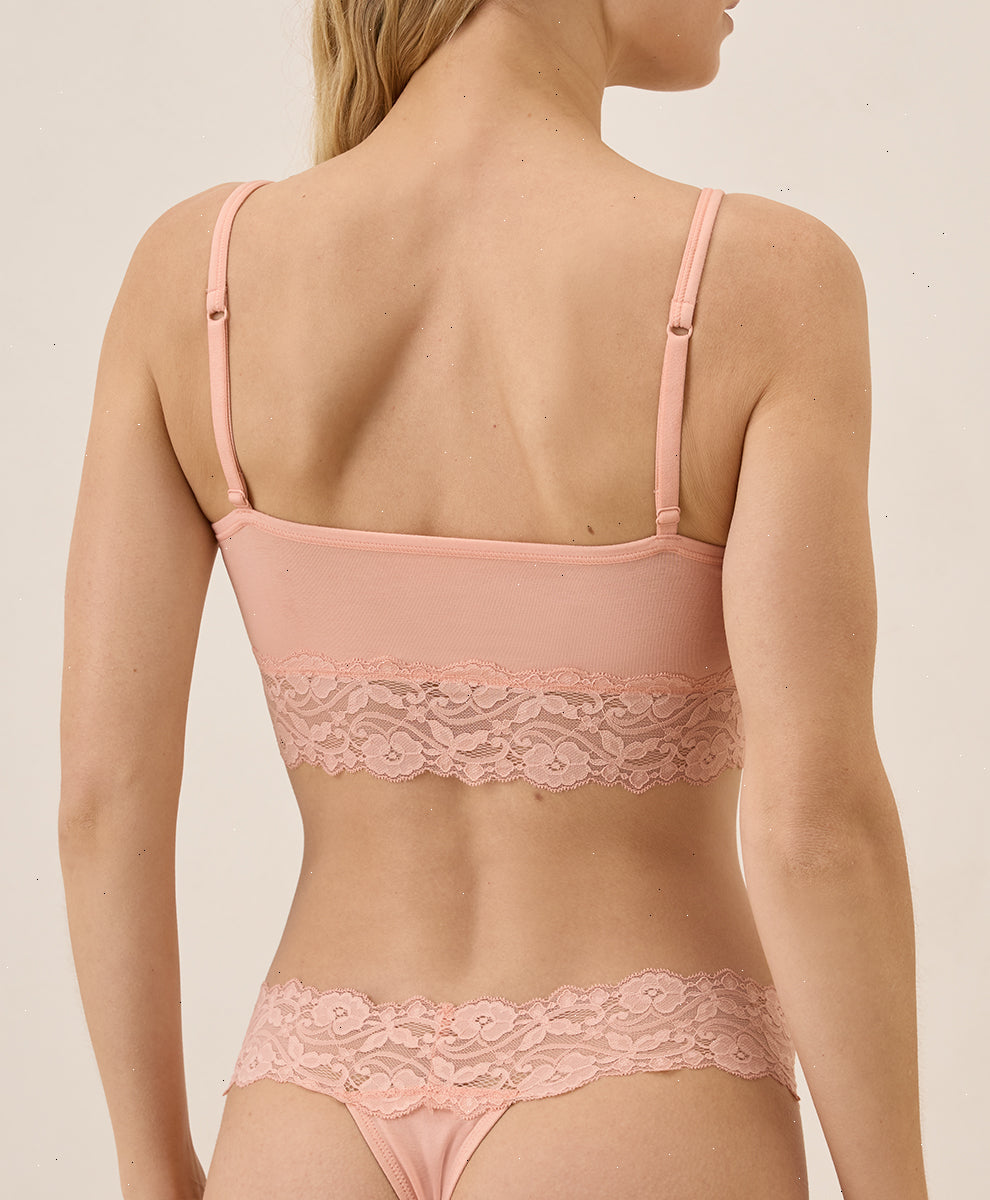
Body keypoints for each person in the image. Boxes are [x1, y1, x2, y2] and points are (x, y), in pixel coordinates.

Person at [58, 1, 929, 1197]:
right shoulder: (762, 277)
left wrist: (155, 1173)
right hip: (640, 1098)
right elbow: (815, 829)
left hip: (306, 1107)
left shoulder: (195, 272)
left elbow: (101, 799)